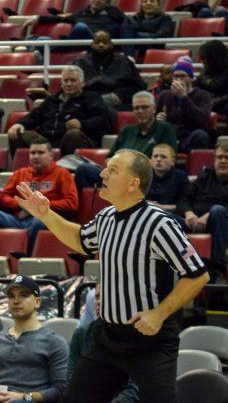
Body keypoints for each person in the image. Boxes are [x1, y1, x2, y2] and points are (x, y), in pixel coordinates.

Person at [17, 150, 209, 402]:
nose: (102, 174)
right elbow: (79, 239)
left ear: (133, 183)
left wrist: (159, 313)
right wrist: (45, 214)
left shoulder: (160, 224)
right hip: (107, 338)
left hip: (151, 342)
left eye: (112, 170)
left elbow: (198, 275)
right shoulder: (106, 217)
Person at [74, 90, 178, 191]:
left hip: (144, 179)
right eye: (136, 108)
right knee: (83, 169)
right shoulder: (126, 131)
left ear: (154, 109)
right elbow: (109, 158)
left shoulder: (164, 128)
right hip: (118, 175)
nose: (140, 111)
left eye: (144, 107)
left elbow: (168, 159)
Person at [0, 139, 78, 244]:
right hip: (19, 219)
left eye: (40, 153)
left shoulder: (62, 174)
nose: (36, 156)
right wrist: (21, 204)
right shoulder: (20, 173)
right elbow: (3, 197)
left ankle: (25, 257)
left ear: (51, 155)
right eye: (32, 153)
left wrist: (41, 206)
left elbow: (71, 203)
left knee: (40, 219)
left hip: (47, 219)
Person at [8, 65, 115, 154]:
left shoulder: (92, 98)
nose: (69, 84)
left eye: (73, 80)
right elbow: (35, 115)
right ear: (61, 83)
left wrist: (82, 124)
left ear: (82, 83)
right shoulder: (52, 100)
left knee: (73, 134)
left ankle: (67, 171)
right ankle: (21, 171)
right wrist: (20, 124)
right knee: (16, 133)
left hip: (74, 139)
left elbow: (102, 121)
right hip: (46, 140)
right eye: (66, 80)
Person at [178, 142, 228, 270]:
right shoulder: (205, 175)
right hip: (193, 222)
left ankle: (219, 268)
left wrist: (209, 215)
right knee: (164, 218)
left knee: (218, 211)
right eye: (219, 157)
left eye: (227, 158)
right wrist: (189, 213)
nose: (223, 161)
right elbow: (184, 199)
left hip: (219, 223)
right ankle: (173, 268)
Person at [75, 31, 145, 110]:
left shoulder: (124, 62)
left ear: (111, 45)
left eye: (105, 42)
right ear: (92, 44)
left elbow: (138, 86)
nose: (101, 45)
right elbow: (74, 87)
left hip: (118, 104)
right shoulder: (81, 63)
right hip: (88, 104)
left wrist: (119, 95)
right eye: (97, 42)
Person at [155, 59, 212, 153]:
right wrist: (157, 118)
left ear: (191, 78)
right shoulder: (165, 95)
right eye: (175, 76)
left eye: (182, 76)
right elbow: (155, 117)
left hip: (190, 136)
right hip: (170, 136)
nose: (178, 79)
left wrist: (183, 97)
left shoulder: (203, 95)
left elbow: (202, 118)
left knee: (200, 135)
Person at [147, 143, 189, 222]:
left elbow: (185, 204)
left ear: (172, 161)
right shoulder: (144, 176)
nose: (158, 159)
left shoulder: (181, 176)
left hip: (173, 218)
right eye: (155, 156)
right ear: (150, 160)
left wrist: (160, 207)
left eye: (163, 157)